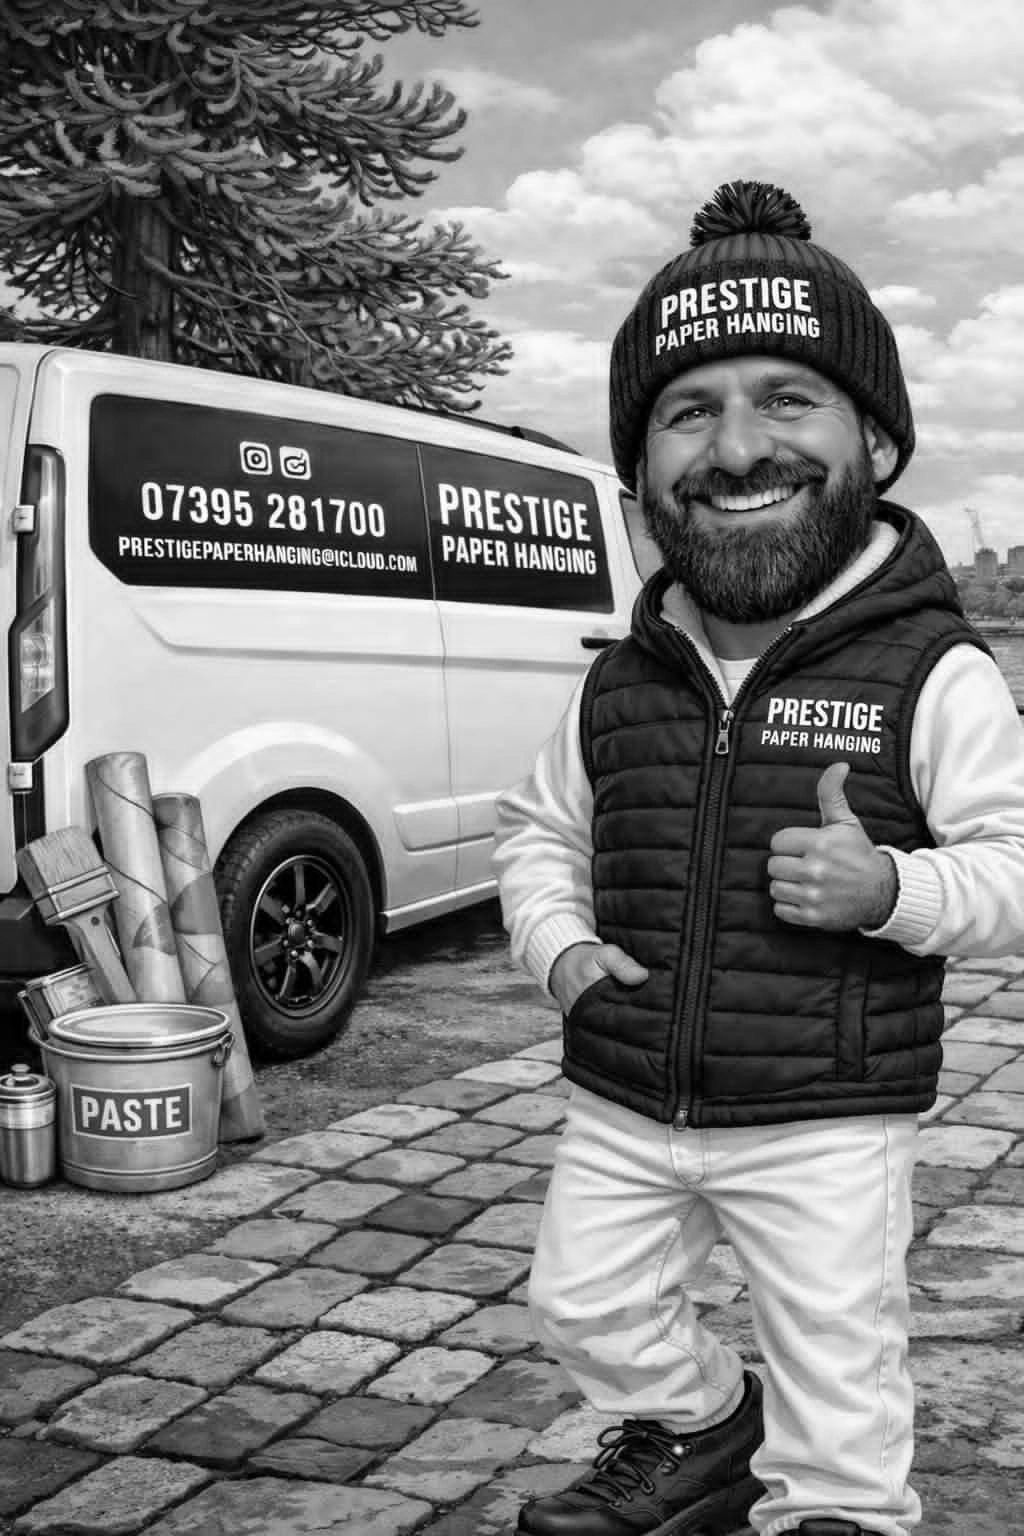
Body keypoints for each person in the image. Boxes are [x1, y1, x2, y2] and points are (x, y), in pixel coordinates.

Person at [492, 178, 1024, 1536]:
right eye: (688, 410)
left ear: (878, 444)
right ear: (640, 473)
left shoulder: (933, 673)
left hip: (829, 1112)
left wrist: (893, 890)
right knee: (583, 1304)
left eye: (787, 398)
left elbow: (1016, 866)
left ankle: (838, 1508)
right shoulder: (620, 677)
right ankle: (700, 1428)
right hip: (622, 1088)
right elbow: (543, 835)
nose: (735, 449)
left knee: (837, 1357)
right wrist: (558, 953)